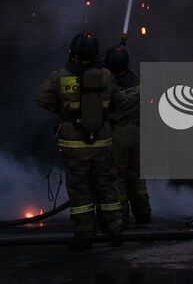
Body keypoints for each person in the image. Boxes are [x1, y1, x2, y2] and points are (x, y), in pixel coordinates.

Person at [36, 32, 124, 249]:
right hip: (102, 143)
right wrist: (104, 118)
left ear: (71, 53)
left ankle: (84, 236)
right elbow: (118, 103)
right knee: (107, 187)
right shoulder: (106, 76)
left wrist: (65, 114)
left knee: (80, 189)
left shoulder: (60, 77)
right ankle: (115, 231)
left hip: (74, 146)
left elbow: (42, 99)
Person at [103, 44, 151, 225]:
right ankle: (144, 214)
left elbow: (103, 105)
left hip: (119, 134)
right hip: (138, 133)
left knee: (118, 178)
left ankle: (122, 217)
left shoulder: (111, 87)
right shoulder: (138, 80)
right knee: (137, 176)